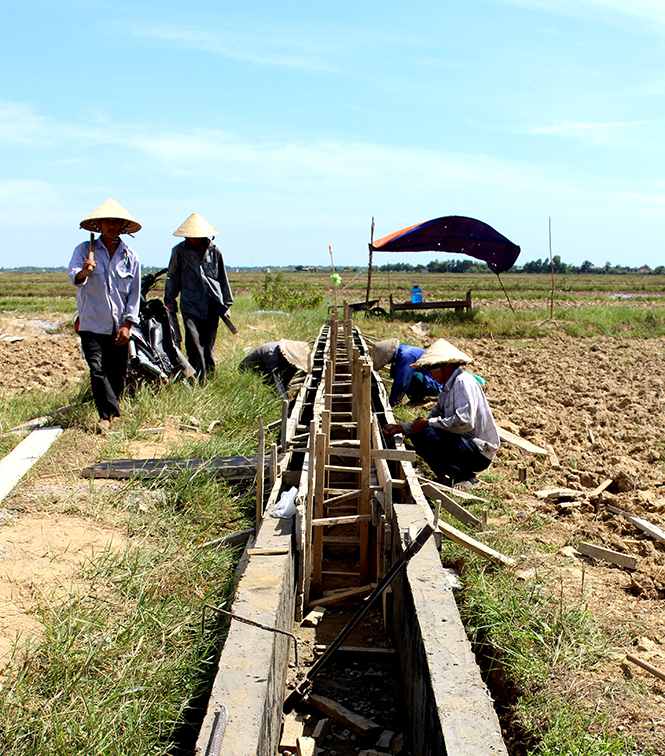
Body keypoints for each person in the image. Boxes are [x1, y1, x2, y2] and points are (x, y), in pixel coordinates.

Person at [382, 338, 499, 488]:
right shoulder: (446, 388)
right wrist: (401, 428)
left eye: (433, 368)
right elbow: (431, 418)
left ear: (446, 366)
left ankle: (465, 477)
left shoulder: (462, 382)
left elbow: (465, 421)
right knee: (420, 432)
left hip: (479, 451)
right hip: (463, 443)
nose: (430, 373)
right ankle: (448, 476)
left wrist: (427, 423)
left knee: (427, 433)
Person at [67, 198, 142, 432]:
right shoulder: (84, 250)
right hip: (91, 324)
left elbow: (135, 294)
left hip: (118, 326)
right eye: (107, 221)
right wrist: (84, 271)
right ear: (99, 225)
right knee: (97, 369)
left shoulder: (130, 256)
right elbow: (73, 277)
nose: (111, 225)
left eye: (116, 222)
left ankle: (114, 408)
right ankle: (106, 416)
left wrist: (128, 324)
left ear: (122, 226)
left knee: (117, 373)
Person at [164, 213, 233, 384]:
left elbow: (222, 276)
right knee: (193, 342)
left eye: (196, 236)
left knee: (208, 345)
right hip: (190, 304)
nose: (192, 239)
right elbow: (172, 277)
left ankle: (209, 377)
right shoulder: (179, 251)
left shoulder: (214, 250)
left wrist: (226, 305)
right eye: (189, 236)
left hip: (212, 303)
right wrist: (170, 302)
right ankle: (196, 380)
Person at [372, 337, 442, 406]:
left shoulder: (406, 356)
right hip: (429, 379)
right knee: (395, 370)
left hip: (434, 384)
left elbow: (403, 381)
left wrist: (393, 402)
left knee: (413, 377)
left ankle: (419, 399)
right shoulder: (401, 351)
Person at [239, 340, 311, 398]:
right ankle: (272, 396)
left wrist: (287, 390)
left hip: (266, 366)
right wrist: (283, 397)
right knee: (271, 381)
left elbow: (287, 377)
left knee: (292, 369)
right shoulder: (273, 355)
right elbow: (275, 378)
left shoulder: (283, 357)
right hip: (251, 368)